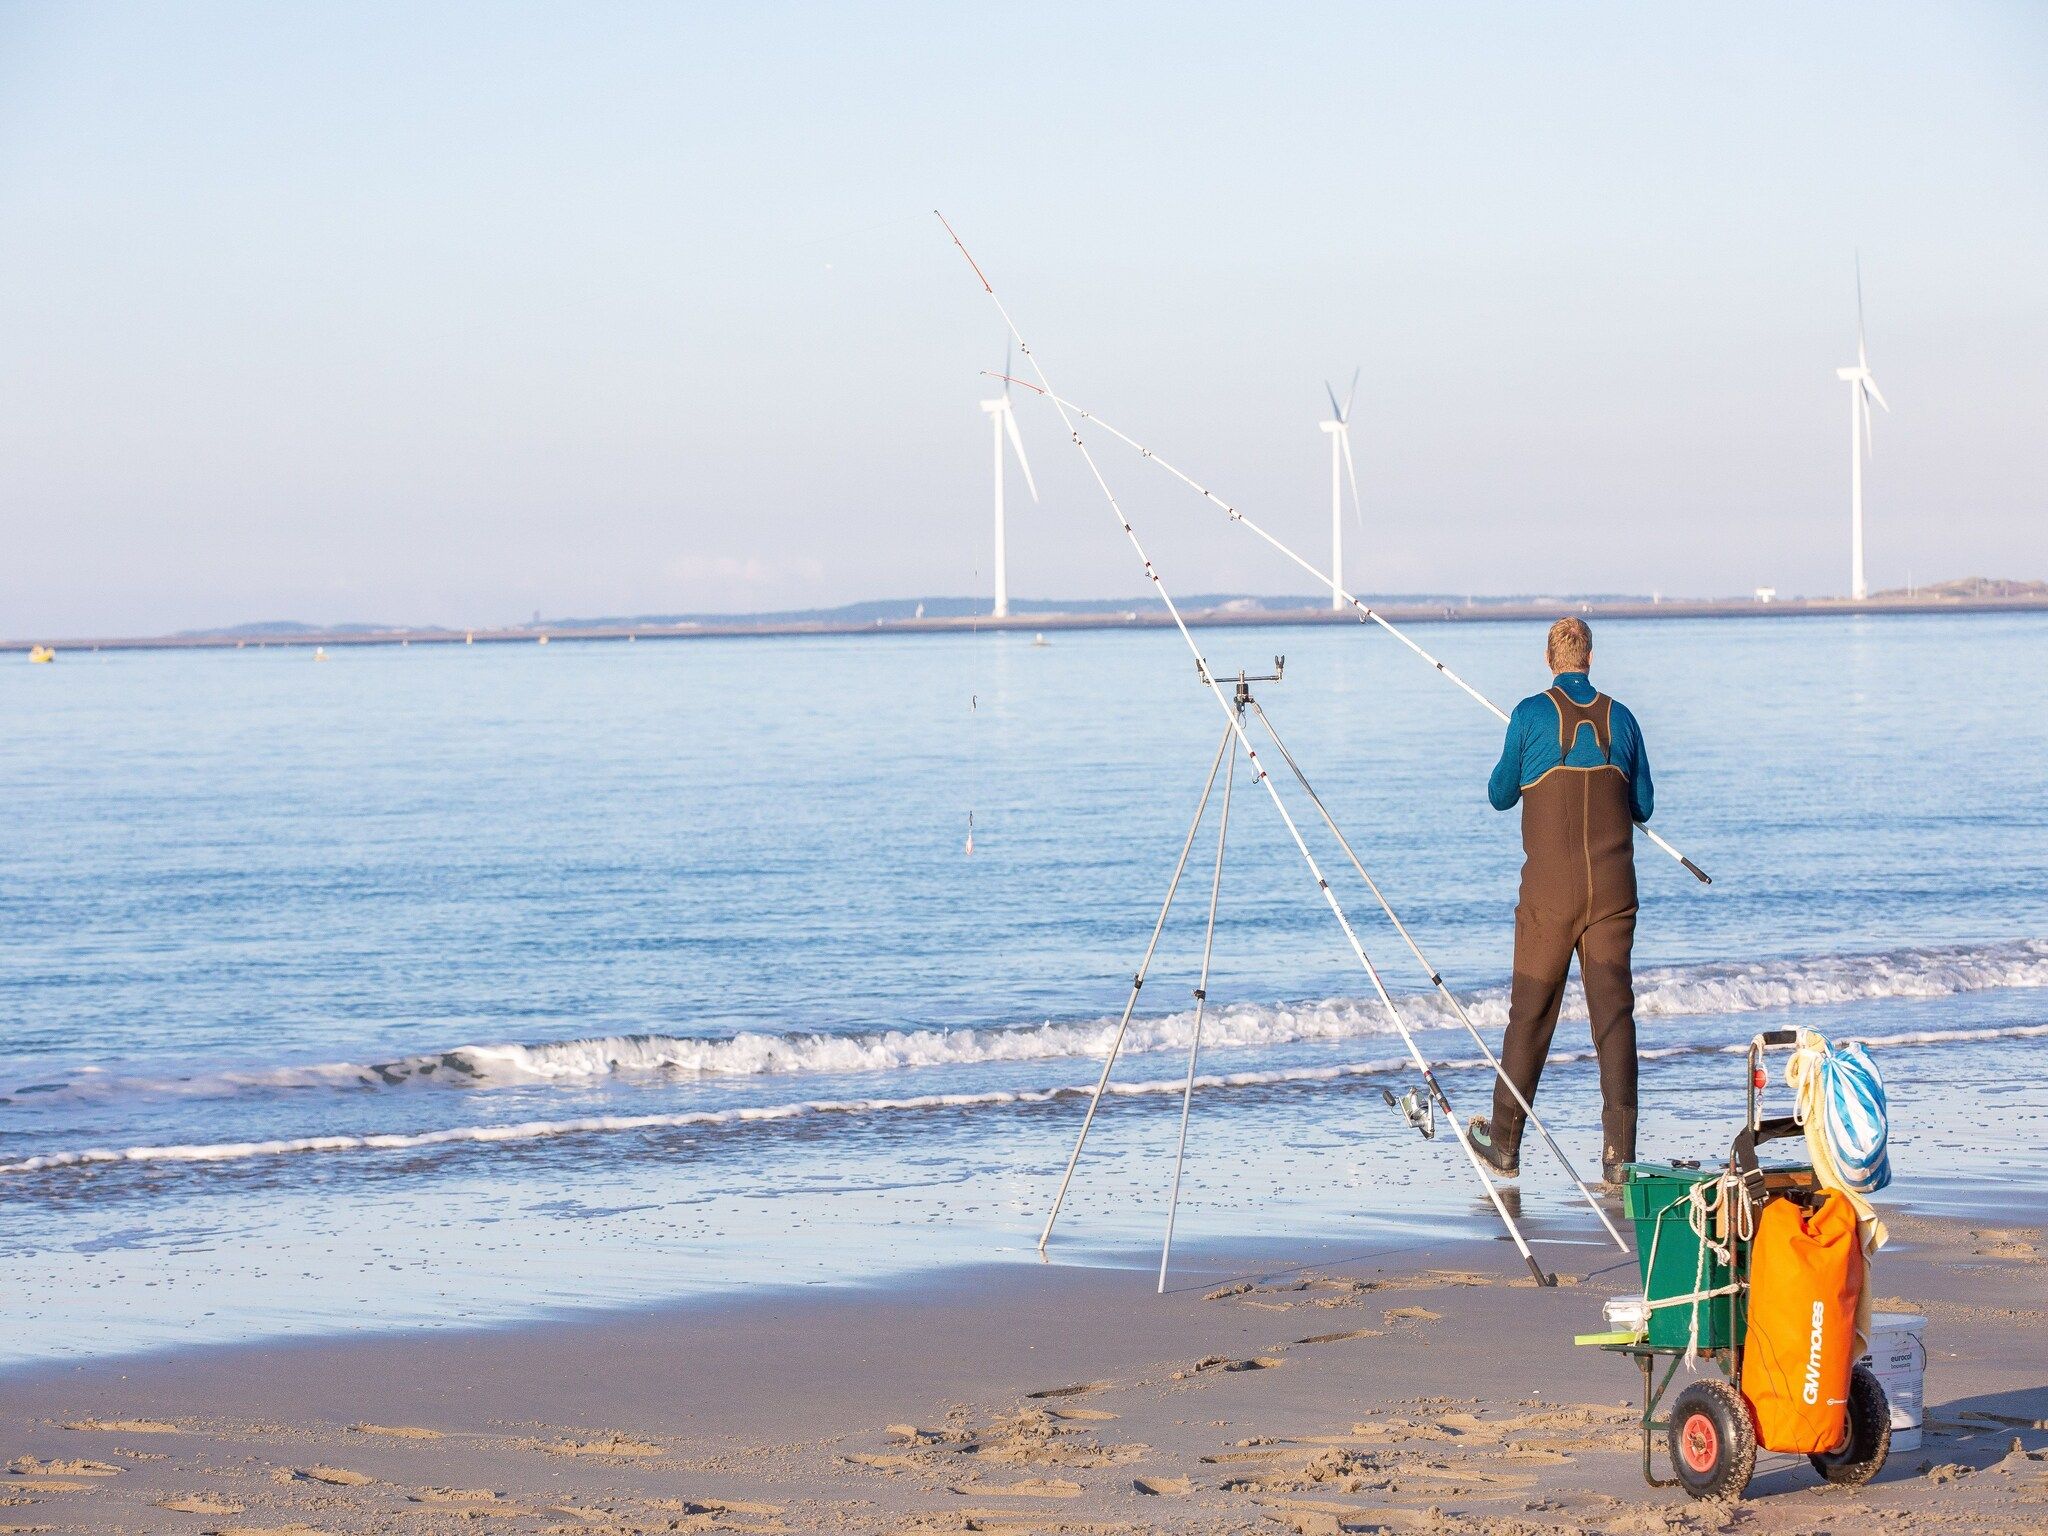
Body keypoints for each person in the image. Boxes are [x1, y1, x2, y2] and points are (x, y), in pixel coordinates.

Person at [1468, 616, 1653, 1188]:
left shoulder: (1527, 714)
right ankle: (1619, 1156)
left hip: (1550, 894)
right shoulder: (1623, 718)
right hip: (1613, 892)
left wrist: (1525, 756)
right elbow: (1643, 804)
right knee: (1614, 1020)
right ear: (1589, 658)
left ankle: (1504, 1144)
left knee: (1531, 1014)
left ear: (1550, 660)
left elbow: (1499, 796)